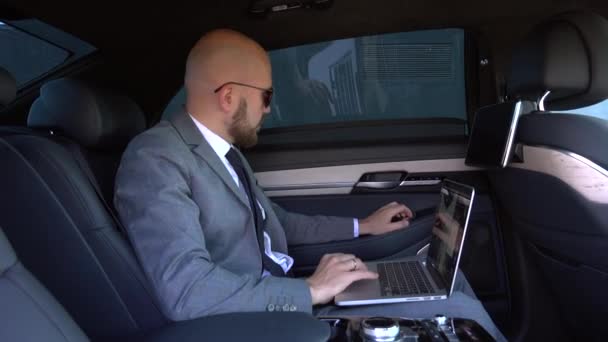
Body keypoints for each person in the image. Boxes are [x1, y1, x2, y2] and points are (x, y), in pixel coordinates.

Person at [114, 29, 505, 341]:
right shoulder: (156, 157)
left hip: (281, 295)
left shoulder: (225, 154)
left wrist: (362, 226)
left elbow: (278, 223)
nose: (269, 108)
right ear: (229, 97)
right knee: (456, 308)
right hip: (252, 321)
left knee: (451, 290)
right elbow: (186, 289)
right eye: (266, 96)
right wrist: (309, 292)